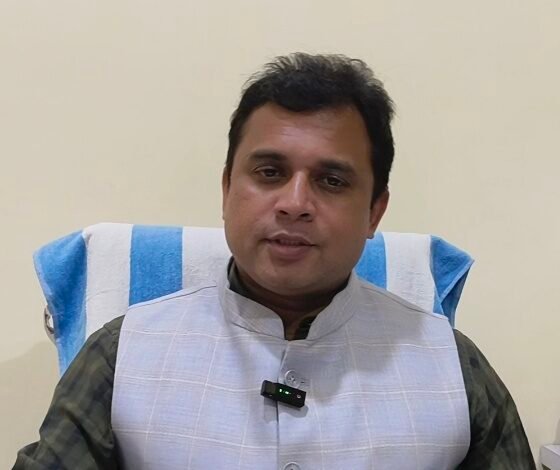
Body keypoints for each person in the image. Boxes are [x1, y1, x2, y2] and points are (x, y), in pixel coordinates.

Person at [15, 53, 535, 469]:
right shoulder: (122, 354)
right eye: (269, 173)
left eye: (332, 181)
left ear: (375, 211)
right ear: (227, 190)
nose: (295, 203)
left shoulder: (453, 366)